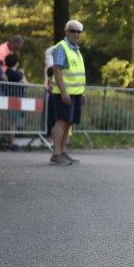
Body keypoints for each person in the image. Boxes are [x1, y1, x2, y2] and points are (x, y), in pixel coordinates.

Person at [49, 20, 86, 165]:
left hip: (75, 93)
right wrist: (64, 92)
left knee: (69, 122)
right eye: (73, 31)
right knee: (61, 121)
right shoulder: (62, 47)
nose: (76, 34)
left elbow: (77, 73)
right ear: (66, 32)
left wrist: (81, 92)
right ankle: (56, 153)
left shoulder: (75, 49)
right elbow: (57, 70)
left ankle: (63, 151)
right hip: (63, 93)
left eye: (78, 32)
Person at [3, 54, 29, 150]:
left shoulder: (7, 72)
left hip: (10, 98)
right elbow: (26, 84)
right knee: (12, 122)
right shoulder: (16, 74)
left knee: (11, 121)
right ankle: (11, 143)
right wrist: (23, 75)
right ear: (17, 63)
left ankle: (9, 141)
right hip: (15, 99)